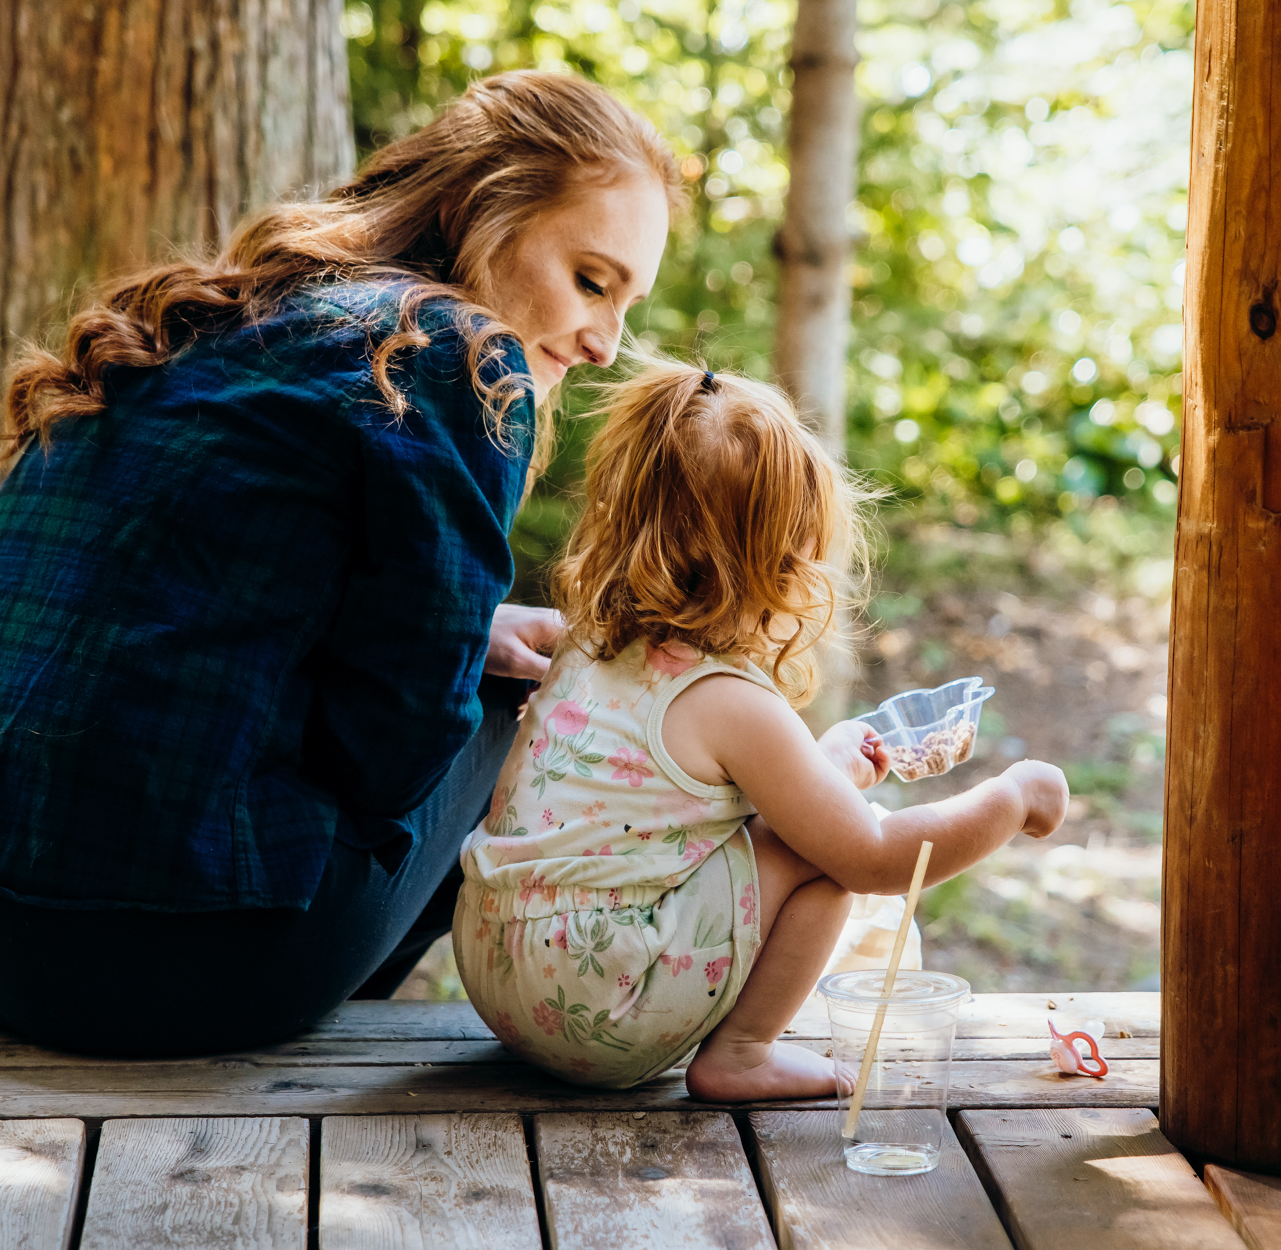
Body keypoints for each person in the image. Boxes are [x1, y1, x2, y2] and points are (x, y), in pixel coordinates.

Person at [0, 71, 681, 1058]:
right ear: (480, 212)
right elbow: (390, 751)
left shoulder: (222, 317)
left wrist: (472, 633)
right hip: (177, 969)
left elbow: (188, 622)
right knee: (549, 698)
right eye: (591, 281)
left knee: (490, 671)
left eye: (627, 302)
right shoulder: (458, 353)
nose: (606, 343)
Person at [455, 360, 1072, 1101]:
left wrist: (826, 763)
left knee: (811, 827)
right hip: (599, 1010)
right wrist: (1013, 798)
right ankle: (743, 1053)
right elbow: (874, 860)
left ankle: (730, 1039)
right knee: (829, 855)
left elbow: (663, 815)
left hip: (497, 969)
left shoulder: (591, 643)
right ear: (778, 563)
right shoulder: (728, 699)